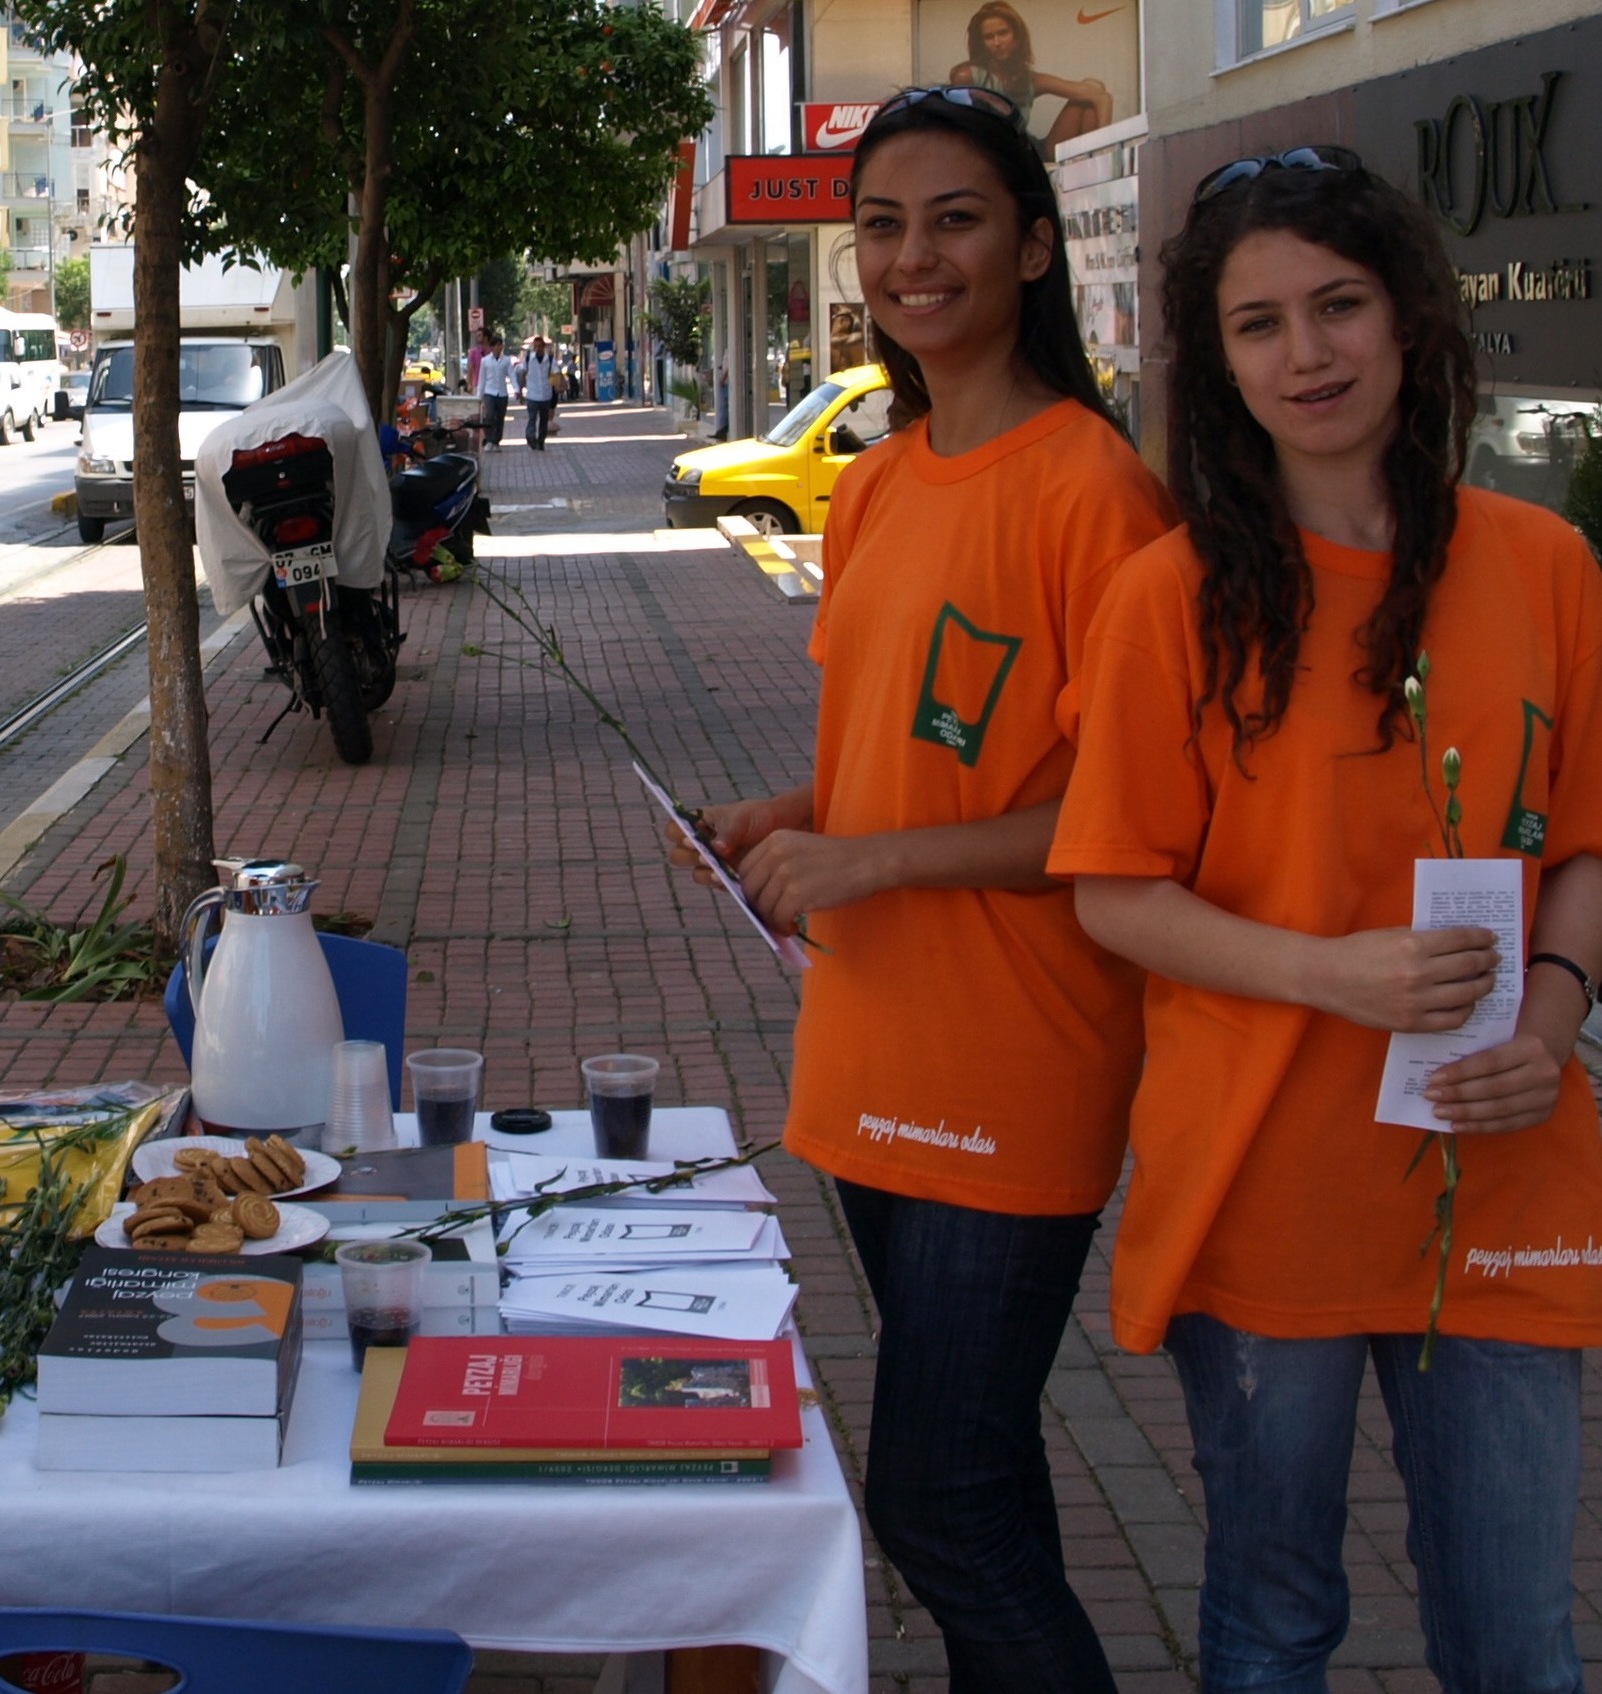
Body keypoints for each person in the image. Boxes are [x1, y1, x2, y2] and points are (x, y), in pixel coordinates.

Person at [1050, 149, 1602, 1694]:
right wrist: (1330, 973)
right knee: (1272, 1623)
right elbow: (1113, 889)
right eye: (1258, 323)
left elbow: (1583, 841)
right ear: (1219, 363)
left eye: (1339, 305)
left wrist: (1553, 1018)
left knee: (1517, 1641)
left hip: (1497, 1167)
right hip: (1263, 1176)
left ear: (1409, 315)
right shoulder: (1167, 597)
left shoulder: (1546, 563)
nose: (1307, 353)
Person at [667, 85, 1171, 1691]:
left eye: (955, 219)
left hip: (1012, 1056)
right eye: (881, 226)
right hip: (870, 1036)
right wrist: (790, 817)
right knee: (986, 1483)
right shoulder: (879, 481)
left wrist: (869, 857)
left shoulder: (1094, 489)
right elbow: (905, 752)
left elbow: (1127, 815)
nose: (913, 257)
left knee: (936, 1502)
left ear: (1031, 246)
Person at [948, 3, 1112, 159]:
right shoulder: (967, 76)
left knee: (1093, 86)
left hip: (1027, 152)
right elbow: (956, 129)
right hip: (992, 156)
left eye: (1003, 33)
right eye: (989, 37)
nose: (997, 43)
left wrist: (1105, 145)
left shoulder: (1030, 79)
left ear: (1017, 36)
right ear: (981, 42)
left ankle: (1098, 162)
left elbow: (1102, 97)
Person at [474, 326, 515, 450]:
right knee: (489, 416)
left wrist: (517, 389)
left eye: (500, 345)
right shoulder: (485, 361)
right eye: (497, 345)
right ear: (492, 347)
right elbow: (482, 379)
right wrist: (479, 396)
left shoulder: (506, 361)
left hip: (502, 393)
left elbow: (512, 375)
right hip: (489, 393)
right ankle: (489, 440)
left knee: (500, 418)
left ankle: (497, 441)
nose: (499, 347)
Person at [518, 334, 559, 452]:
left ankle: (541, 441)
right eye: (535, 346)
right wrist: (520, 392)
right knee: (532, 418)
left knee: (543, 420)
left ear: (543, 347)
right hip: (532, 395)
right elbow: (523, 374)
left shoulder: (550, 359)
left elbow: (556, 373)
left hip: (546, 395)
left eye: (539, 346)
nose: (537, 349)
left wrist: (558, 385)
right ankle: (530, 437)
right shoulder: (528, 358)